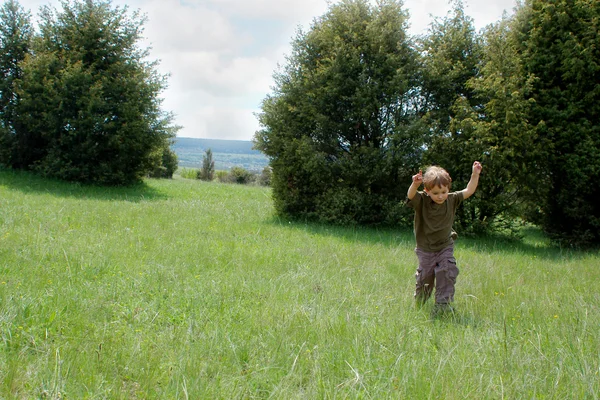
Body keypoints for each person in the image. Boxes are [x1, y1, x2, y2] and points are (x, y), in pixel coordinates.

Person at [406, 161, 482, 316]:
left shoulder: (452, 199)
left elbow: (469, 190)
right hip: (425, 248)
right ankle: (420, 303)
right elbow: (410, 195)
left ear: (448, 189)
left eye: (443, 191)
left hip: (445, 246)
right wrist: (415, 184)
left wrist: (475, 174)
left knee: (447, 271)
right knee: (425, 279)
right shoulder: (422, 200)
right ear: (427, 191)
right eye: (435, 193)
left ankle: (443, 306)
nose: (440, 196)